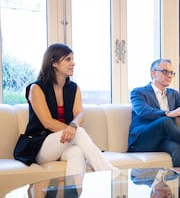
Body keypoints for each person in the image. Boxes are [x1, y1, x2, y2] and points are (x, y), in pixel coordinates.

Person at [14, 43, 117, 175]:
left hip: (64, 142)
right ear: (54, 63)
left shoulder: (74, 88)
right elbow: (48, 122)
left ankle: (72, 192)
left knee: (77, 152)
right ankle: (109, 174)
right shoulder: (36, 88)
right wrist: (77, 133)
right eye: (68, 59)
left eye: (73, 59)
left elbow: (79, 114)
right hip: (39, 145)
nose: (73, 63)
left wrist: (74, 127)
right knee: (79, 132)